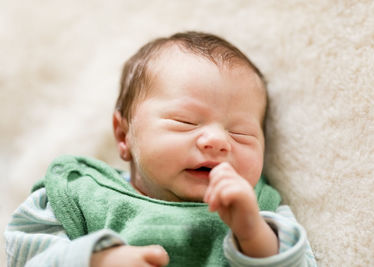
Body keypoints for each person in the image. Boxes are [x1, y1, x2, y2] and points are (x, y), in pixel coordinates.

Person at [5, 31, 317, 267]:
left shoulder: (261, 213)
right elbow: (22, 255)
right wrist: (96, 260)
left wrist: (253, 235)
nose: (219, 141)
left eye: (242, 133)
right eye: (185, 122)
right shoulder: (82, 196)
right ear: (124, 135)